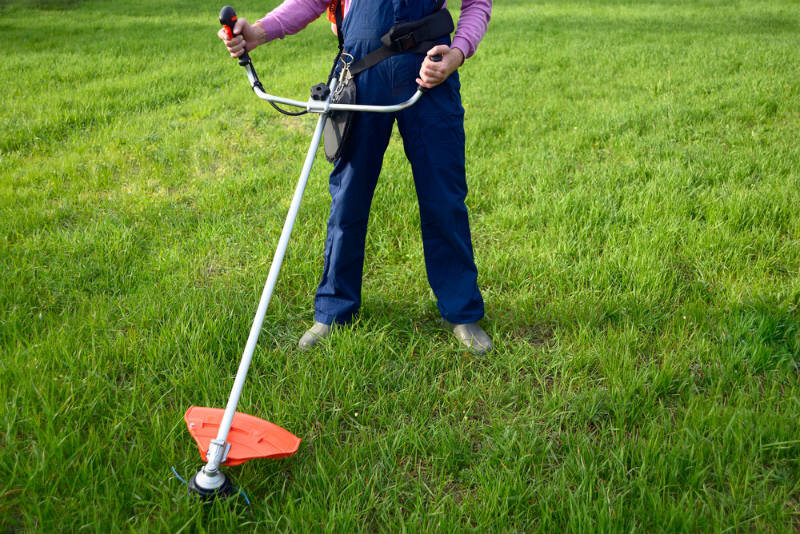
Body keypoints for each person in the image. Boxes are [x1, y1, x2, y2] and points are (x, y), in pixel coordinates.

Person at [218, 0, 494, 354]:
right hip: (360, 74)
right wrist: (259, 31)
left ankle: (461, 311)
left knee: (444, 197)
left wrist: (457, 53)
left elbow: (476, 4)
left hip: (431, 69)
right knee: (347, 197)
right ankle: (334, 310)